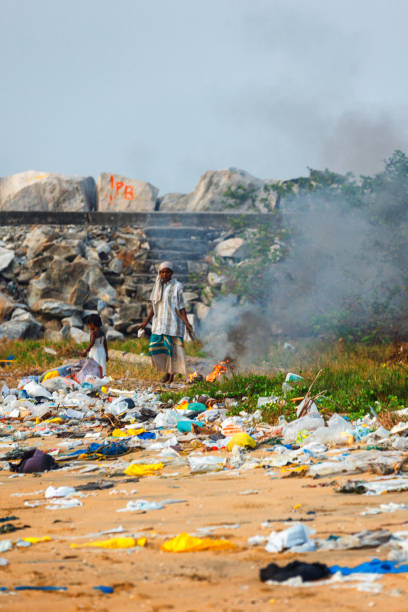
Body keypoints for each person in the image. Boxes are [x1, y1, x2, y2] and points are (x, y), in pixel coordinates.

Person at [139, 261, 193, 383]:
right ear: (159, 273)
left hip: (173, 325)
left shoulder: (177, 286)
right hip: (159, 324)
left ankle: (170, 376)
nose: (165, 274)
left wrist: (187, 323)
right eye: (162, 272)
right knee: (154, 347)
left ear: (171, 273)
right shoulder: (157, 286)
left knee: (173, 351)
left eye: (167, 272)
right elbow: (154, 306)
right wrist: (145, 322)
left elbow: (181, 306)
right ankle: (166, 372)